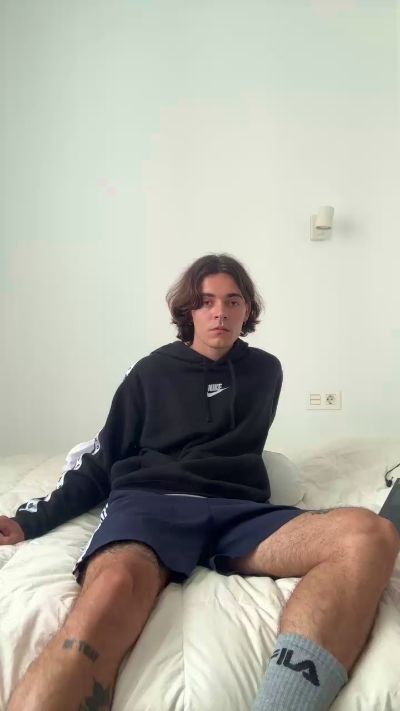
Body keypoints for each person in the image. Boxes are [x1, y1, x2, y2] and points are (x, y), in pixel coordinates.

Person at [1, 253, 399, 711]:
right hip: (154, 503)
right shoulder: (150, 372)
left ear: (247, 310)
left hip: (238, 512)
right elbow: (103, 457)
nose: (220, 312)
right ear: (187, 310)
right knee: (109, 590)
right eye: (206, 301)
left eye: (233, 301)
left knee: (369, 534)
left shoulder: (266, 371)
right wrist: (30, 521)